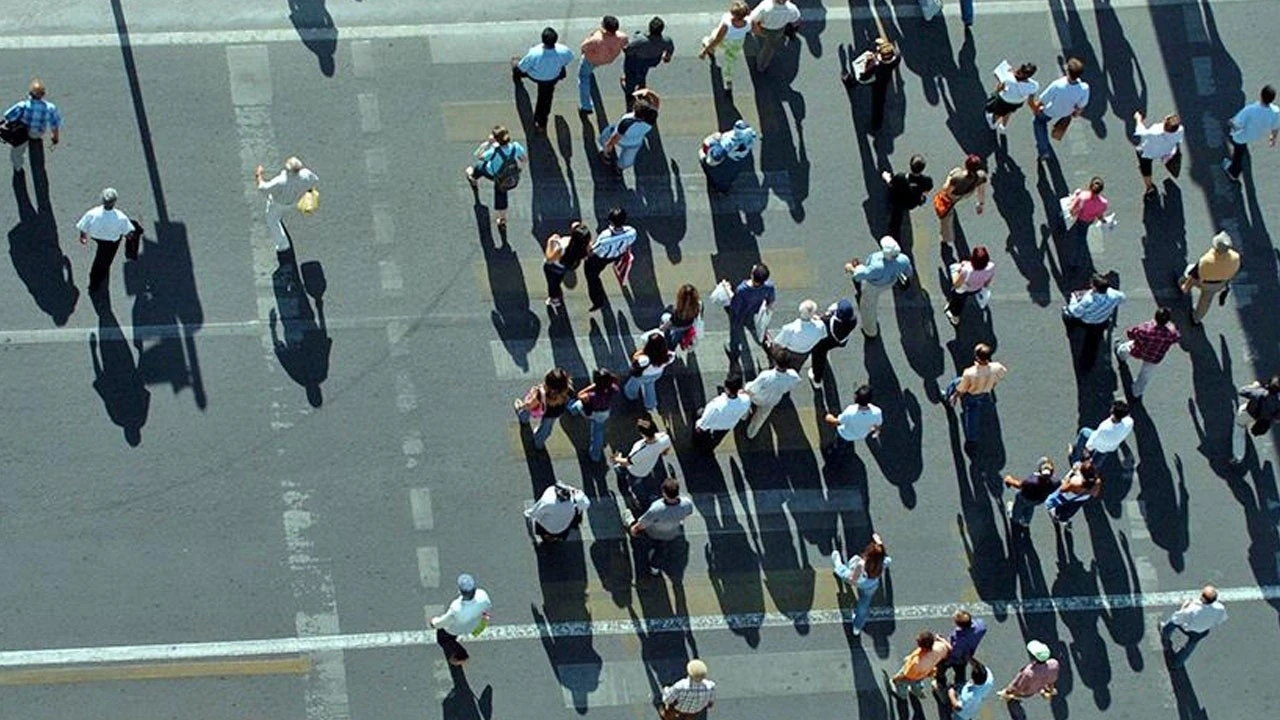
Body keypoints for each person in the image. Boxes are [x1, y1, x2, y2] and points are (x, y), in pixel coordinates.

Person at [847, 236, 913, 338]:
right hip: (890, 282)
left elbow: (859, 276)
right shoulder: (903, 259)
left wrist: (852, 268)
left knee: (868, 307)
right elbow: (908, 272)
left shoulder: (877, 266)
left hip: (874, 286)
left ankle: (870, 331)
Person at [512, 27, 574, 133]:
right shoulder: (563, 50)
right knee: (545, 100)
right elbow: (569, 58)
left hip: (535, 76)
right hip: (552, 78)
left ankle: (516, 77)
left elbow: (523, 67)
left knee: (516, 65)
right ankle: (541, 123)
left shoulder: (535, 52)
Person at [465, 126, 527, 232]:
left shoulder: (494, 150)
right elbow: (524, 159)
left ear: (495, 138)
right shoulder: (515, 147)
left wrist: (487, 143)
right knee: (502, 195)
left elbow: (479, 155)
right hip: (506, 177)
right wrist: (519, 170)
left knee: (479, 166)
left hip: (492, 173)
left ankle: (473, 178)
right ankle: (502, 219)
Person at [629, 477, 694, 577]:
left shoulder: (657, 508)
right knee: (661, 550)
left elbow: (642, 524)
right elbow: (688, 513)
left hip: (653, 533)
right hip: (672, 533)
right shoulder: (687, 503)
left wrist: (633, 530)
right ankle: (655, 567)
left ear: (664, 493)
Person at [76, 188, 135, 295]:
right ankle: (98, 279)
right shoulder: (121, 217)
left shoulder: (93, 213)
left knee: (99, 258)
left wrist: (83, 237)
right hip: (111, 242)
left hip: (97, 237)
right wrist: (130, 237)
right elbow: (128, 233)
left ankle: (94, 281)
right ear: (114, 202)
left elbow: (84, 226)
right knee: (104, 261)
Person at [1030, 57, 1090, 162]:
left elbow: (1043, 100)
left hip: (1050, 111)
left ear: (1067, 70)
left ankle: (1044, 150)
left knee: (1038, 122)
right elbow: (1081, 106)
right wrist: (1075, 114)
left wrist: (1036, 108)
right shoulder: (1084, 88)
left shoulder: (1058, 85)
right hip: (1066, 112)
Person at [947, 343, 1008, 444]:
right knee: (973, 416)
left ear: (977, 358)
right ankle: (972, 439)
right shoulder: (997, 367)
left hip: (971, 393)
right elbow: (1001, 374)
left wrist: (955, 396)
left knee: (956, 382)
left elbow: (962, 388)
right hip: (984, 392)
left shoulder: (970, 372)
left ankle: (947, 396)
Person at [255, 156, 319, 252]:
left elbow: (263, 188)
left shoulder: (281, 181)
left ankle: (283, 244)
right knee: (279, 215)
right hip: (293, 202)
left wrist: (259, 175)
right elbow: (314, 180)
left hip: (277, 204)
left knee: (272, 221)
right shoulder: (306, 174)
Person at [831, 532, 890, 635]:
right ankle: (857, 627)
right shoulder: (882, 562)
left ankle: (838, 566)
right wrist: (879, 543)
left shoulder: (861, 564)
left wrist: (850, 573)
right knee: (864, 603)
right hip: (872, 585)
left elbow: (853, 579)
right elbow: (887, 558)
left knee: (844, 572)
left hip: (861, 582)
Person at [1115, 307, 1181, 398]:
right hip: (1155, 357)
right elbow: (1176, 338)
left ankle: (1120, 356)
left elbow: (1131, 334)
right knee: (1144, 376)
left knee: (1125, 349)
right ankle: (1136, 393)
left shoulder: (1145, 328)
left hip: (1139, 349)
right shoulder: (1171, 333)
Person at [723, 263, 777, 374]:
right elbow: (770, 300)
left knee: (735, 333)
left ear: (752, 275)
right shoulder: (769, 286)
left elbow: (734, 304)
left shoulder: (742, 289)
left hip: (739, 315)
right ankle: (770, 352)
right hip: (754, 312)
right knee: (759, 332)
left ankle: (734, 354)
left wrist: (727, 289)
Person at [1063, 273, 1126, 368]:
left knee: (1067, 314)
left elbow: (1076, 312)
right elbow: (1122, 298)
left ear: (1095, 288)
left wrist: (1074, 298)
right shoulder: (1115, 294)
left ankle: (1071, 329)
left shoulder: (1088, 300)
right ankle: (1088, 363)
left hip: (1087, 322)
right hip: (1102, 321)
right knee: (1092, 343)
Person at [429, 573, 492, 666]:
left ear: (460, 591)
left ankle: (462, 655)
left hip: (455, 629)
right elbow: (487, 609)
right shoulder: (483, 595)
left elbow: (444, 622)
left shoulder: (456, 607)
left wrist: (434, 622)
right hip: (474, 625)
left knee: (443, 639)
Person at [614, 414, 673, 512]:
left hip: (636, 472)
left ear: (643, 434)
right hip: (648, 467)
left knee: (637, 487)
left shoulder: (640, 449)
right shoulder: (664, 438)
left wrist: (616, 458)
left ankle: (643, 503)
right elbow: (666, 450)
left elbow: (628, 462)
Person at [1180, 231, 1240, 325]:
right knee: (1205, 301)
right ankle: (1196, 319)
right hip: (1219, 284)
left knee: (1188, 271)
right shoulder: (1236, 257)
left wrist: (1186, 287)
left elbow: (1194, 276)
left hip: (1203, 282)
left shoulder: (1207, 260)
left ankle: (1181, 284)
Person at [584, 207, 638, 312]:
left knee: (592, 279)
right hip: (617, 254)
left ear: (610, 221)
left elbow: (593, 250)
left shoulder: (605, 237)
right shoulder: (632, 231)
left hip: (599, 259)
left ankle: (597, 301)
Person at [1160, 585, 1228, 668]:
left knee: (1171, 623)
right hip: (1202, 631)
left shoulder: (1193, 608)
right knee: (1191, 645)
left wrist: (1185, 606)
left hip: (1188, 628)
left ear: (1203, 597)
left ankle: (1165, 636)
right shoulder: (1220, 608)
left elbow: (1177, 618)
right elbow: (1221, 619)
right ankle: (1176, 663)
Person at [1223, 84, 1280, 182]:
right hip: (1255, 135)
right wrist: (1273, 138)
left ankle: (1233, 172)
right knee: (1240, 149)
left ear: (1261, 95)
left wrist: (1230, 123)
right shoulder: (1276, 111)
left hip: (1241, 137)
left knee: (1238, 153)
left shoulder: (1250, 110)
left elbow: (1237, 125)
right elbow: (1275, 126)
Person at [842, 37, 900, 133]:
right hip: (883, 82)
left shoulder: (876, 65)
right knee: (879, 102)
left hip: (874, 78)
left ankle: (850, 83)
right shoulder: (896, 57)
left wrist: (868, 62)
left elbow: (864, 76)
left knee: (859, 78)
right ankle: (877, 123)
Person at [4, 79, 62, 176]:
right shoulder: (50, 108)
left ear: (30, 93)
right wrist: (55, 137)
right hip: (38, 133)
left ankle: (18, 168)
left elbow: (8, 116)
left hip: (22, 133)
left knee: (17, 152)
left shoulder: (23, 105)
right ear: (43, 94)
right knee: (35, 140)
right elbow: (54, 124)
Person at [578, 16, 628, 115]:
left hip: (591, 60)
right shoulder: (623, 37)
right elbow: (625, 47)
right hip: (607, 60)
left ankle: (586, 105)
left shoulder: (596, 39)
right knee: (591, 69)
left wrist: (594, 34)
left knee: (583, 78)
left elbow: (583, 47)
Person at [600, 89, 659, 171]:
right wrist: (648, 92)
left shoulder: (627, 122)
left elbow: (614, 139)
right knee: (626, 161)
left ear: (634, 110)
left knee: (606, 135)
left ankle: (606, 157)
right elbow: (656, 101)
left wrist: (607, 150)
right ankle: (619, 168)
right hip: (635, 143)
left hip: (622, 140)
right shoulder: (651, 117)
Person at [514, 368, 574, 449]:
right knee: (546, 428)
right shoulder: (568, 390)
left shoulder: (541, 393)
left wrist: (522, 405)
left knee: (527, 410)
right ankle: (538, 443)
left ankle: (523, 419)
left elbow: (529, 405)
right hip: (555, 413)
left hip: (541, 407)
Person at [1069, 400, 1134, 474]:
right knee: (1101, 454)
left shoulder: (1105, 427)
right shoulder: (1130, 422)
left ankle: (1076, 460)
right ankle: (1092, 468)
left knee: (1084, 432)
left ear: (1112, 411)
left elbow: (1093, 439)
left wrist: (1087, 449)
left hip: (1100, 442)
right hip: (1111, 446)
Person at [621, 17, 674, 108]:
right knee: (643, 73)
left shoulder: (640, 40)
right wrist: (667, 57)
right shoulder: (666, 40)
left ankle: (630, 94)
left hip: (636, 61)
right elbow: (670, 50)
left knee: (631, 77)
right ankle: (641, 87)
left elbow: (628, 50)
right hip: (651, 61)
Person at [1060, 176, 1111, 270]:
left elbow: (1072, 209)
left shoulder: (1082, 196)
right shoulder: (1103, 203)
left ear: (1090, 186)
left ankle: (1075, 261)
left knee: (1079, 240)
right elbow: (1099, 216)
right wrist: (1104, 221)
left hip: (1080, 218)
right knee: (1081, 237)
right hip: (1088, 221)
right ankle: (1076, 261)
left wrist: (1075, 196)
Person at [568, 368, 619, 461]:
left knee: (578, 404)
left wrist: (593, 386)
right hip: (604, 413)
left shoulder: (592, 395)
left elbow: (580, 395)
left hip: (591, 412)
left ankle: (571, 409)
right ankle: (595, 455)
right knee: (598, 432)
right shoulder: (613, 389)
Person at [935, 155, 987, 245]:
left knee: (947, 218)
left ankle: (946, 237)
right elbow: (981, 191)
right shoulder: (981, 176)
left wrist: (950, 176)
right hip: (966, 194)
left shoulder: (957, 176)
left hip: (953, 196)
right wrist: (980, 204)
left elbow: (946, 190)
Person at [699, 2, 751, 91]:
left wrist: (704, 51)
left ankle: (709, 48)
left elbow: (718, 39)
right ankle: (728, 80)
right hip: (736, 44)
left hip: (725, 41)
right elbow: (755, 29)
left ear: (734, 15)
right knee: (729, 62)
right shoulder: (749, 22)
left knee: (711, 41)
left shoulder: (727, 23)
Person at [744, 356, 801, 439]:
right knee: (760, 418)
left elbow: (752, 389)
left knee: (747, 388)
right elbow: (791, 386)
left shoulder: (766, 375)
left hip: (758, 398)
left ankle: (744, 416)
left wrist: (746, 391)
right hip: (772, 400)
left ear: (775, 362)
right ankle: (751, 433)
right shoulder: (794, 376)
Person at [693, 374, 752, 452]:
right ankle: (710, 448)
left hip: (714, 424)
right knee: (717, 439)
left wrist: (699, 426)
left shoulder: (716, 405)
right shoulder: (746, 400)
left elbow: (705, 420)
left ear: (727, 389)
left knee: (699, 413)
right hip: (728, 425)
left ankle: (697, 444)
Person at [807, 299, 858, 388]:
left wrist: (816, 318)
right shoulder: (853, 320)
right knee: (825, 350)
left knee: (818, 358)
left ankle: (817, 380)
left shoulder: (828, 321)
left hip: (824, 341)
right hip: (837, 341)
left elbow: (820, 322)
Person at [1231, 375, 1280, 466]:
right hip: (1262, 419)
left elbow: (1242, 391)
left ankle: (1238, 456)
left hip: (1248, 413)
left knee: (1239, 428)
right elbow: (1277, 419)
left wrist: (1254, 386)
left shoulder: (1259, 393)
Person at [1133, 111, 1185, 196]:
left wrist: (1138, 119)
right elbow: (1178, 141)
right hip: (1166, 151)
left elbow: (1140, 131)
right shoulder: (1180, 129)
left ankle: (1149, 187)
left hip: (1149, 152)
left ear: (1165, 122)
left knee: (1146, 169)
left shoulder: (1156, 130)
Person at [882, 155, 933, 239]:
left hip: (898, 201)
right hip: (912, 203)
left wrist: (886, 176)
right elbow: (926, 191)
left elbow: (891, 183)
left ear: (910, 165)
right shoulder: (927, 180)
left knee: (896, 217)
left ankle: (894, 233)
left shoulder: (900, 177)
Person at [699, 119, 758, 193]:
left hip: (727, 160)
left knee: (718, 176)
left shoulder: (730, 142)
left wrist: (715, 139)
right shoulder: (751, 136)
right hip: (738, 160)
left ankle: (718, 188)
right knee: (730, 175)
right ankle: (724, 188)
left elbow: (716, 155)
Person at [935, 610, 987, 692]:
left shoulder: (959, 638)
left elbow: (953, 651)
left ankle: (941, 685)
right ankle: (959, 686)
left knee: (941, 670)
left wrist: (941, 640)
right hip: (966, 655)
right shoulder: (981, 626)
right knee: (960, 673)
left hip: (954, 658)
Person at [543, 222, 592, 308]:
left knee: (552, 284)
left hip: (553, 267)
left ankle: (554, 299)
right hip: (567, 266)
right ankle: (555, 293)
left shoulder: (562, 246)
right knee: (557, 280)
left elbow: (549, 259)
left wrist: (550, 242)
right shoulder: (586, 246)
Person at [890, 630, 951, 699]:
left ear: (922, 647)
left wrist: (895, 679)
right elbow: (947, 651)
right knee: (917, 684)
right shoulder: (940, 647)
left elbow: (906, 675)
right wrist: (941, 640)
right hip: (923, 674)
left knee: (903, 684)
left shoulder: (916, 662)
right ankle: (917, 692)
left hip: (913, 675)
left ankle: (901, 694)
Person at [625, 331, 676, 413]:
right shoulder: (670, 355)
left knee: (632, 386)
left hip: (643, 375)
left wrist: (641, 351)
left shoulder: (644, 359)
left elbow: (635, 358)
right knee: (650, 386)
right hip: (657, 374)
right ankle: (650, 405)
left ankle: (631, 396)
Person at [766, 299, 826, 369]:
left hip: (789, 353)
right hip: (804, 353)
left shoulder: (789, 328)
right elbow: (822, 336)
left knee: (781, 364)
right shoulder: (820, 325)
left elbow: (780, 343)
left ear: (800, 311)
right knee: (796, 367)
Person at [525, 482, 590, 546]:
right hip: (563, 528)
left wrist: (531, 535)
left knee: (541, 515)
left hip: (548, 527)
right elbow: (584, 503)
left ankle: (548, 537)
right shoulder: (573, 504)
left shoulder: (549, 496)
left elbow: (532, 513)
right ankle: (554, 537)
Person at [945, 246, 996, 326]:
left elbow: (956, 284)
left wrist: (959, 270)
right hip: (977, 288)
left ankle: (954, 316)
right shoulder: (991, 266)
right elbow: (988, 281)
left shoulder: (967, 270)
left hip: (965, 289)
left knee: (958, 301)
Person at [824, 384, 882, 453]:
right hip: (860, 435)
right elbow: (878, 425)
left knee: (840, 446)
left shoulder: (850, 411)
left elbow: (838, 422)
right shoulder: (877, 411)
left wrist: (828, 417)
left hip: (844, 434)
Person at [1043, 459, 1101, 527]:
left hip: (1066, 497)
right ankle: (1065, 521)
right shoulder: (1097, 482)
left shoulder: (1075, 481)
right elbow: (1095, 494)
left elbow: (1062, 489)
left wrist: (1070, 475)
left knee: (1052, 504)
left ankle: (1055, 515)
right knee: (1068, 512)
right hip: (1079, 500)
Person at [1003, 457, 1057, 529]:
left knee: (1018, 508)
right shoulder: (1055, 482)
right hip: (1038, 500)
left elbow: (1019, 485)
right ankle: (1026, 522)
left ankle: (1014, 518)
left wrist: (1009, 479)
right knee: (1030, 508)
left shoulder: (1032, 481)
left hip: (1025, 498)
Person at [985, 61, 1039, 133]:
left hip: (1004, 100)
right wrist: (1036, 110)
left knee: (999, 112)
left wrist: (998, 88)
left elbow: (999, 89)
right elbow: (1030, 101)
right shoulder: (1034, 85)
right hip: (1017, 103)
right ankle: (1003, 126)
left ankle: (993, 123)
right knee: (1008, 111)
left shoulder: (1008, 78)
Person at [749, 0, 801, 72]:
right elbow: (796, 22)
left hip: (763, 28)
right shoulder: (792, 9)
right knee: (769, 49)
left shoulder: (765, 6)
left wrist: (756, 30)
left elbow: (753, 19)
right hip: (777, 31)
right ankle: (762, 66)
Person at [659, 284, 703, 352]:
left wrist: (662, 327)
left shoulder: (678, 312)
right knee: (679, 334)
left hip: (676, 325)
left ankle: (668, 342)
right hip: (688, 325)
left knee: (664, 317)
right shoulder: (698, 305)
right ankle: (673, 345)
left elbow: (670, 322)